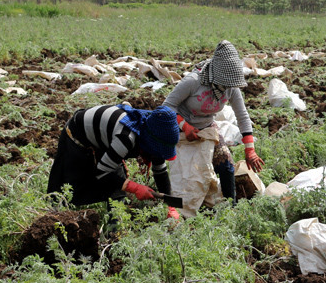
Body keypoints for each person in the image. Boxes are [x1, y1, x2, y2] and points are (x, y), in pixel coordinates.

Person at [163, 40, 264, 203]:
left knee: (226, 166)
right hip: (181, 131)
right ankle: (177, 208)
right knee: (186, 175)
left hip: (208, 129)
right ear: (217, 75)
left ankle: (229, 209)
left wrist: (250, 149)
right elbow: (166, 107)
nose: (228, 88)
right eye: (225, 84)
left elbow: (242, 116)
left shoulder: (230, 87)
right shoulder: (193, 82)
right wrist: (184, 125)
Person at [47, 104, 181, 220]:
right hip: (78, 136)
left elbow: (160, 172)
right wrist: (135, 188)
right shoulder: (126, 138)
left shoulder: (154, 137)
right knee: (70, 188)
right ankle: (56, 216)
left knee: (118, 187)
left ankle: (115, 227)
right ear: (150, 142)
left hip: (103, 139)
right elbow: (102, 172)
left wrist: (170, 206)